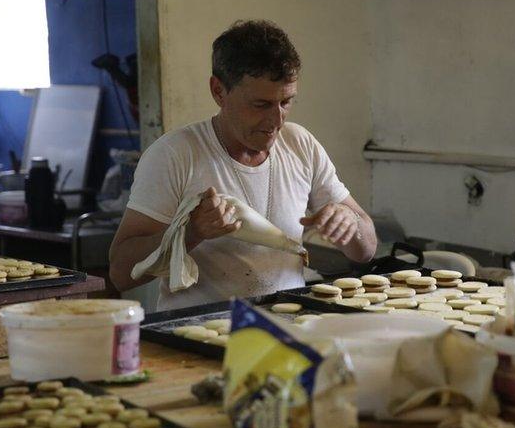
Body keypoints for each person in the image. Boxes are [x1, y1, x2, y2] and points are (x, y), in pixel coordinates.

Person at [109, 19, 377, 310]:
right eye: (260, 105)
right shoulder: (175, 154)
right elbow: (121, 273)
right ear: (219, 91)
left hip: (287, 326)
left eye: (286, 102)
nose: (276, 121)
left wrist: (350, 226)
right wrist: (189, 233)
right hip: (201, 333)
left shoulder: (300, 144)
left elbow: (367, 250)